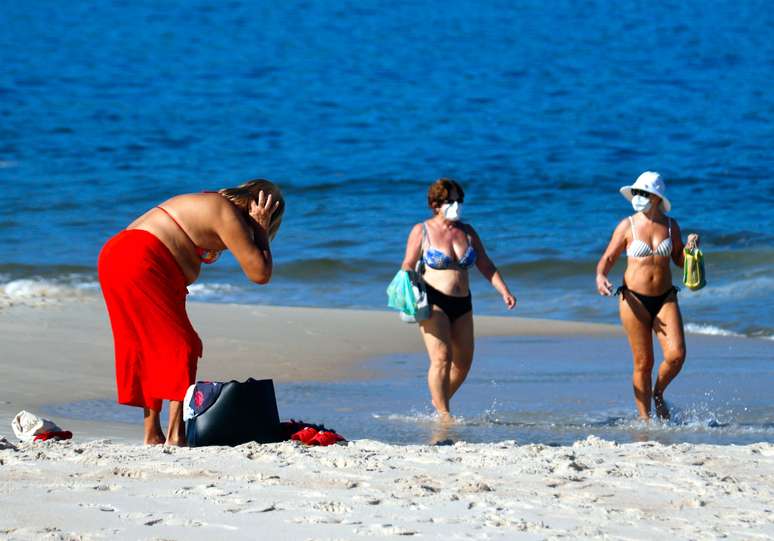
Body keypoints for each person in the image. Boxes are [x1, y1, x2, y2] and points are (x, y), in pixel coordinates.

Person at [98, 179, 284, 445]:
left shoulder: (212, 205)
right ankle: (176, 434)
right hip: (141, 258)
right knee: (182, 345)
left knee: (147, 347)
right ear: (262, 208)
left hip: (119, 256)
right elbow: (259, 273)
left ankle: (152, 434)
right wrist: (261, 230)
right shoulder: (224, 211)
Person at [401, 178, 516, 421]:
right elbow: (408, 264)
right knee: (442, 358)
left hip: (463, 303)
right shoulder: (421, 230)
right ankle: (444, 414)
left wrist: (503, 290)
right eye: (450, 200)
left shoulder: (467, 231)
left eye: (459, 200)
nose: (456, 205)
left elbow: (484, 264)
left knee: (463, 365)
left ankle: (439, 400)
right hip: (434, 301)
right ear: (435, 204)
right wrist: (408, 291)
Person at [595, 172, 699, 420]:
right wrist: (601, 275)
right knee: (644, 363)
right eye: (636, 193)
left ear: (655, 197)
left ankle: (658, 393)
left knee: (676, 356)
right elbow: (609, 257)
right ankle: (646, 420)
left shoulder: (671, 225)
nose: (638, 197)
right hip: (634, 300)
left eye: (643, 193)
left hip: (665, 298)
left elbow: (678, 260)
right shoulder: (627, 225)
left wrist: (689, 250)